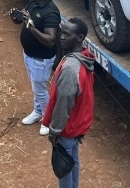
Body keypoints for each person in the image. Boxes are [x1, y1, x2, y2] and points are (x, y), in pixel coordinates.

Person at [41, 17, 95, 188]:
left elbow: (63, 104)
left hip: (67, 128)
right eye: (61, 33)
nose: (61, 37)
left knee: (63, 168)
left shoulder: (70, 68)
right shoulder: (84, 58)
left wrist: (54, 131)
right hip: (78, 124)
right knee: (73, 161)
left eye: (67, 34)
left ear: (79, 38)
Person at [9, 0, 60, 136]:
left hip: (41, 59)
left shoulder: (51, 12)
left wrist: (31, 27)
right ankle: (38, 111)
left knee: (39, 90)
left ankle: (48, 119)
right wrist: (17, 17)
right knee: (36, 88)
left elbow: (50, 40)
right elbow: (25, 19)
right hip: (29, 54)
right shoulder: (33, 2)